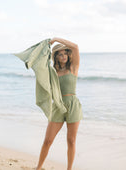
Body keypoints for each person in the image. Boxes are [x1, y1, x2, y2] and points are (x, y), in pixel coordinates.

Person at [36, 37, 83, 170]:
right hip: (57, 106)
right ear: (56, 57)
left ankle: (69, 169)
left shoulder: (74, 67)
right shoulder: (53, 72)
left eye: (65, 53)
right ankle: (38, 167)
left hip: (73, 105)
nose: (64, 56)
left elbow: (75, 47)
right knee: (48, 140)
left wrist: (56, 39)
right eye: (60, 54)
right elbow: (40, 64)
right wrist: (46, 47)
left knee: (71, 140)